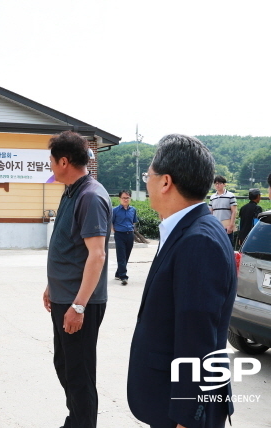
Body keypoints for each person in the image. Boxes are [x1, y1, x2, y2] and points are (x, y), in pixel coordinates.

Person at [127, 134, 236, 428]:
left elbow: (197, 339)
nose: (146, 181)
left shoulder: (198, 240)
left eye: (147, 175)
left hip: (180, 413)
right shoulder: (189, 229)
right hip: (167, 401)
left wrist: (187, 418)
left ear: (165, 182)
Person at [42, 130, 112, 428]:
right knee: (66, 366)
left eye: (51, 161)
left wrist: (79, 306)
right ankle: (76, 421)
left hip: (80, 303)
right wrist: (52, 284)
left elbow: (97, 256)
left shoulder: (91, 196)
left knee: (80, 372)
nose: (50, 166)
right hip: (63, 296)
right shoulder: (71, 190)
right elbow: (69, 246)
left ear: (64, 161)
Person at [112, 190, 138, 285]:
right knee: (121, 256)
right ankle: (123, 276)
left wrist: (132, 230)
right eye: (123, 198)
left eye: (127, 198)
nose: (125, 200)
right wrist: (113, 230)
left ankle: (118, 273)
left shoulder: (133, 210)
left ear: (130, 198)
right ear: (120, 199)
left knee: (126, 255)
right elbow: (110, 221)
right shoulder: (115, 210)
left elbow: (134, 221)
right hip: (119, 235)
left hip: (130, 234)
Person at [208, 175, 237, 246]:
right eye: (216, 184)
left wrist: (231, 225)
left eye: (220, 183)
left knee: (227, 245)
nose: (218, 185)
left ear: (224, 184)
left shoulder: (230, 195)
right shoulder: (212, 197)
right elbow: (210, 212)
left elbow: (234, 211)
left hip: (226, 226)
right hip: (215, 226)